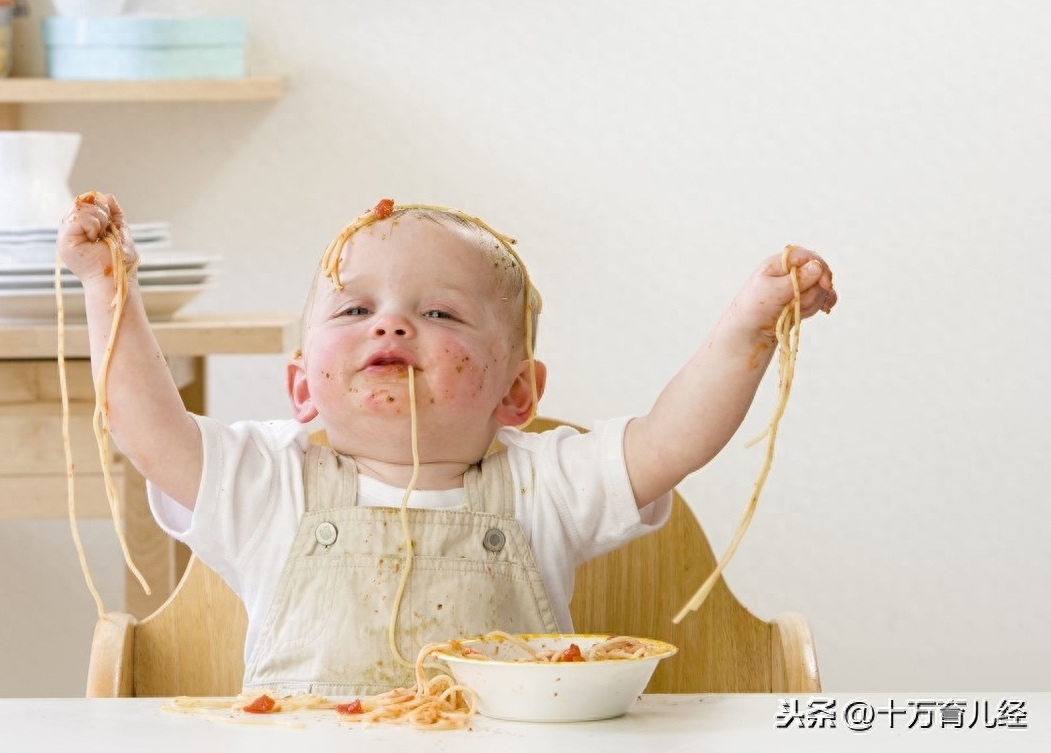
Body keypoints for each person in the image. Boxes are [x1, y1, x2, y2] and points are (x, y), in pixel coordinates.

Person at [58, 195, 837, 697]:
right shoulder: (272, 484)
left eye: (440, 314)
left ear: (518, 395)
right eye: (355, 308)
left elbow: (674, 439)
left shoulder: (546, 484)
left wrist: (750, 328)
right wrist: (109, 288)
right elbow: (146, 429)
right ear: (302, 390)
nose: (390, 325)